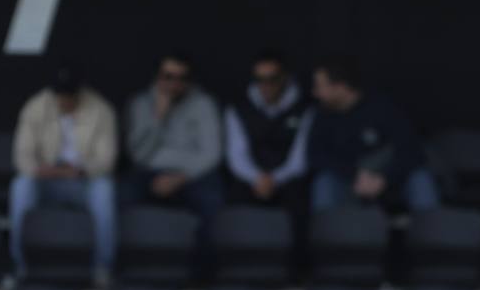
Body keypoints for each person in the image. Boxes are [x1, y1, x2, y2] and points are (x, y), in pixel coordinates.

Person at [9, 64, 119, 285]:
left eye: (70, 94)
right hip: (46, 182)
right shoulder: (36, 106)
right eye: (60, 94)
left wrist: (82, 170)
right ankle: (21, 266)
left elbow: (107, 159)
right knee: (21, 186)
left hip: (82, 181)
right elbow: (21, 156)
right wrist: (40, 170)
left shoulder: (101, 110)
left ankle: (101, 268)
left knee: (105, 189)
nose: (64, 99)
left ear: (80, 91)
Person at [307, 56, 440, 212]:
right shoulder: (322, 114)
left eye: (319, 87)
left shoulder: (382, 108)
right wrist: (355, 174)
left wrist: (384, 180)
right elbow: (315, 155)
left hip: (390, 176)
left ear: (340, 87)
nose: (315, 93)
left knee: (420, 179)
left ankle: (432, 233)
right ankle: (327, 234)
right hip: (349, 178)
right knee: (324, 183)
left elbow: (411, 150)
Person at [126, 53, 223, 221]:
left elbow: (212, 153)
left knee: (212, 197)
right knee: (119, 194)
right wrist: (158, 119)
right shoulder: (141, 104)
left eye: (181, 77)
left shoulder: (204, 104)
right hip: (149, 172)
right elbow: (138, 155)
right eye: (168, 76)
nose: (174, 83)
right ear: (158, 76)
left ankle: (204, 248)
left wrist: (179, 179)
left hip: (191, 175)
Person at [224, 50, 313, 214]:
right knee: (232, 202)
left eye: (273, 79)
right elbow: (237, 155)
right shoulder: (238, 108)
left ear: (285, 77)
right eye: (260, 80)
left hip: (287, 178)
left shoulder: (304, 108)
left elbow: (300, 158)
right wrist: (257, 178)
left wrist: (275, 180)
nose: (266, 85)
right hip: (251, 177)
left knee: (300, 201)